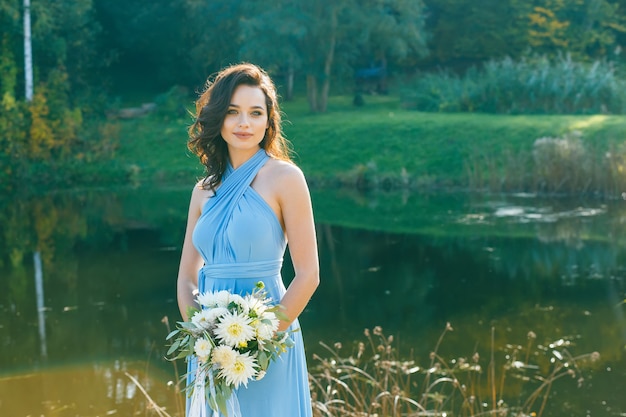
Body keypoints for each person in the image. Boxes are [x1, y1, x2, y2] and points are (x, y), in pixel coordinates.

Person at [176, 63, 319, 417]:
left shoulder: (286, 178)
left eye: (256, 113)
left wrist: (260, 341)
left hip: (271, 340)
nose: (244, 123)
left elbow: (308, 275)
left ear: (269, 121)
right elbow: (186, 278)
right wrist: (203, 334)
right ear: (217, 118)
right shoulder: (202, 191)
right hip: (213, 347)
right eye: (232, 112)